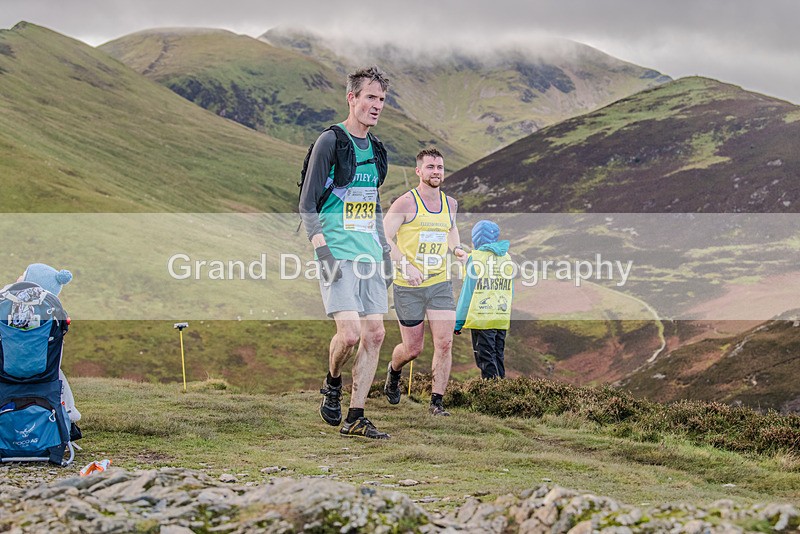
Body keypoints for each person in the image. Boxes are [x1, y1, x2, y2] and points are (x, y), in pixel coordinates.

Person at [299, 66, 392, 439]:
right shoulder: (331, 141)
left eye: (382, 99)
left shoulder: (377, 150)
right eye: (370, 97)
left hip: (369, 254)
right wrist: (320, 248)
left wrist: (385, 249)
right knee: (350, 335)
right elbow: (307, 202)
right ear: (351, 98)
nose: (376, 105)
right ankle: (332, 381)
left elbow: (373, 202)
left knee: (376, 334)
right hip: (336, 251)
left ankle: (356, 415)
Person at [382, 147, 467, 416]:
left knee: (444, 343)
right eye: (430, 167)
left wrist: (456, 249)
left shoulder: (450, 204)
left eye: (440, 167)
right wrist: (406, 266)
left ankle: (437, 403)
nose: (436, 172)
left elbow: (451, 229)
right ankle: (394, 371)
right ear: (419, 171)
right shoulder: (405, 203)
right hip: (409, 287)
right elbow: (383, 237)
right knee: (412, 349)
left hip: (439, 283)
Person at [16, 263, 82, 423]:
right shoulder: (50, 318)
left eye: (24, 275)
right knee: (58, 375)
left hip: (8, 368)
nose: (19, 277)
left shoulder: (8, 307)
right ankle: (69, 413)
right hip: (44, 370)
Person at [454, 221, 514, 379]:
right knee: (497, 356)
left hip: (482, 319)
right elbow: (510, 290)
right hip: (500, 318)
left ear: (476, 240)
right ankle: (503, 393)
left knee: (485, 359)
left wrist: (458, 322)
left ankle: (492, 397)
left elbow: (467, 294)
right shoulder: (506, 258)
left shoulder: (475, 260)